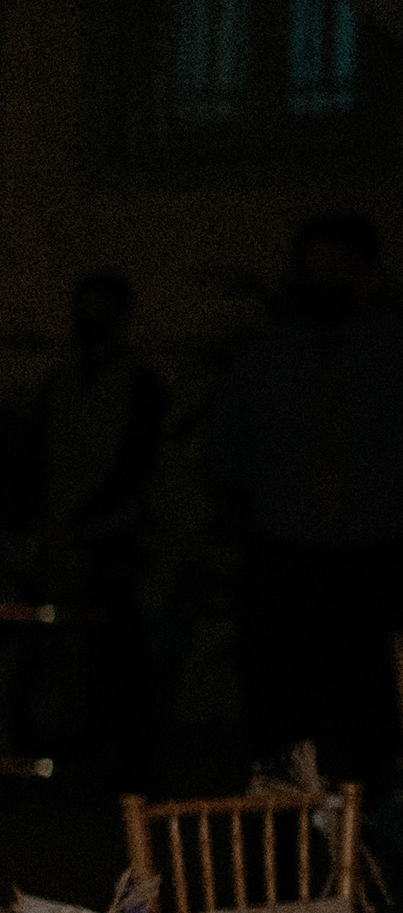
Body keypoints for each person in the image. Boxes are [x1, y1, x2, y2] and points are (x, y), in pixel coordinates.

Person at [203, 212, 403, 789]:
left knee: (372, 703)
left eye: (337, 266)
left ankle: (369, 823)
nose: (324, 279)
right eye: (313, 267)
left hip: (376, 554)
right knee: (278, 703)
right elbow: (226, 453)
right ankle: (282, 824)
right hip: (284, 552)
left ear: (366, 272)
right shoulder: (266, 356)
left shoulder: (391, 351)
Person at [29, 270, 167, 781]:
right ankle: (65, 748)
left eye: (101, 308)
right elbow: (40, 457)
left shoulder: (139, 385)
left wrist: (81, 520)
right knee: (58, 644)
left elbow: (133, 464)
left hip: (112, 537)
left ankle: (128, 758)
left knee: (116, 646)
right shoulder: (60, 382)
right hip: (60, 538)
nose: (91, 318)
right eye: (84, 307)